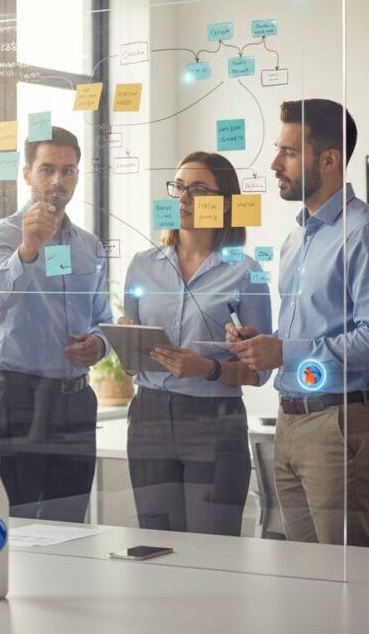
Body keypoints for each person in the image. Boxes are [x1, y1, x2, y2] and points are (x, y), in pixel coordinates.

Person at [226, 99, 369, 546]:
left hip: (339, 421)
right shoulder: (295, 240)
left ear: (329, 159)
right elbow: (308, 331)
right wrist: (264, 343)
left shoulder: (367, 234)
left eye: (288, 152)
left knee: (347, 577)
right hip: (289, 422)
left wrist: (285, 350)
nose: (274, 164)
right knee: (306, 580)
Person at [121, 151, 272, 535]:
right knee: (156, 544)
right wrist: (128, 342)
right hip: (149, 418)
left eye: (199, 190)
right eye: (180, 188)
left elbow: (260, 372)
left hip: (214, 423)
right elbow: (129, 364)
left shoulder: (246, 272)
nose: (184, 199)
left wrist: (204, 368)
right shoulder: (141, 265)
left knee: (213, 548)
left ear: (224, 204)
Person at [0, 126, 112, 523]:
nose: (58, 181)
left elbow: (103, 318)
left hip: (75, 402)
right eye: (47, 169)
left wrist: (100, 344)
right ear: (26, 174)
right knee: (13, 523)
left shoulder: (89, 245)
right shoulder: (2, 235)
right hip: (18, 399)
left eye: (68, 171)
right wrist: (29, 249)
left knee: (69, 523)